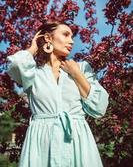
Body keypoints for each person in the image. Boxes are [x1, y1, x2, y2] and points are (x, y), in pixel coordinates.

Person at [7, 21, 109, 167]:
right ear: (48, 38)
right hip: (41, 142)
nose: (71, 41)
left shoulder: (81, 68)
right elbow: (15, 65)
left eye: (72, 36)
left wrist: (76, 74)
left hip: (77, 140)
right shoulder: (33, 73)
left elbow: (99, 108)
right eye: (66, 34)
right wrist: (34, 46)